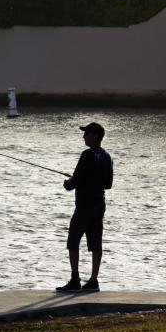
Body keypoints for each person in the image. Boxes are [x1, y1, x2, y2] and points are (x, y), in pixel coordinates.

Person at [55, 122, 114, 292]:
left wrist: (67, 183)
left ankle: (75, 279)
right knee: (96, 243)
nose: (84, 136)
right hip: (99, 205)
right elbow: (108, 185)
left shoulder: (86, 155)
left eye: (86, 133)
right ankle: (94, 281)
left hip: (84, 206)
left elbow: (74, 182)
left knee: (73, 241)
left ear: (95, 136)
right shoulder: (107, 157)